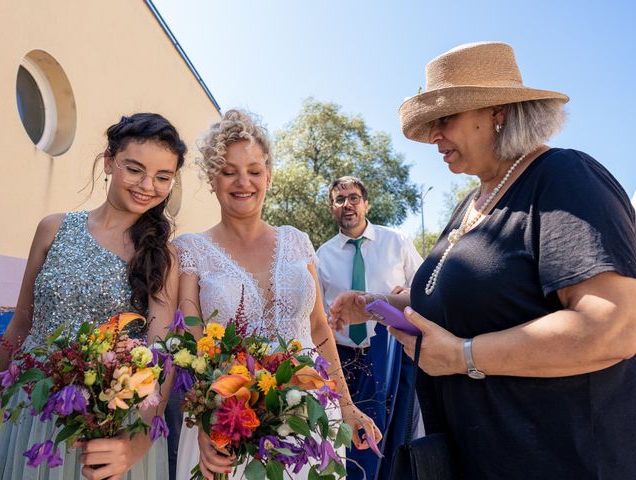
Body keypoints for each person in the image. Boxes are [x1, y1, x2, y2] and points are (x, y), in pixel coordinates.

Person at [329, 41, 636, 479]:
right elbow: (459, 308)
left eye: (446, 119)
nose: (434, 135)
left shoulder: (565, 177)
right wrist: (376, 304)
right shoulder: (472, 203)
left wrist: (463, 356)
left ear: (498, 113)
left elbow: (613, 327)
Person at [172, 110, 382, 479]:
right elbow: (191, 344)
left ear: (268, 175)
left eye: (254, 170)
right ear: (211, 178)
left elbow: (319, 330)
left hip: (311, 417)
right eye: (228, 170)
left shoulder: (298, 242)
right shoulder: (190, 250)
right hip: (230, 420)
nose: (243, 182)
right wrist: (208, 420)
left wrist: (347, 406)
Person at [0, 113, 185, 480]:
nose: (148, 185)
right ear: (110, 161)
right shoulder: (53, 228)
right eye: (135, 169)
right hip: (31, 407)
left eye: (163, 177)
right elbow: (21, 323)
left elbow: (161, 354)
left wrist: (138, 442)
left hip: (107, 421)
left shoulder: (162, 255)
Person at [316, 176, 423, 480]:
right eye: (339, 199)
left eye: (353, 198)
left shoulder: (397, 242)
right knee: (352, 439)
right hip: (344, 360)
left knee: (395, 434)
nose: (347, 205)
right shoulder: (322, 256)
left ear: (366, 204)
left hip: (392, 354)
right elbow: (317, 313)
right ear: (331, 208)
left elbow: (425, 289)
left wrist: (404, 296)